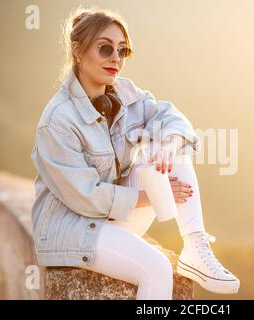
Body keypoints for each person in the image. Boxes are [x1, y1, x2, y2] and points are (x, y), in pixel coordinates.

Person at [30, 6, 240, 300]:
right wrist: (153, 196)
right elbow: (85, 196)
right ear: (78, 51)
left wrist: (167, 146)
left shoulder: (123, 93)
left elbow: (173, 119)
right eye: (105, 49)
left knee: (169, 144)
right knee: (157, 268)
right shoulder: (58, 121)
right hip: (73, 229)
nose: (116, 58)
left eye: (123, 50)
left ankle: (194, 245)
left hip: (113, 219)